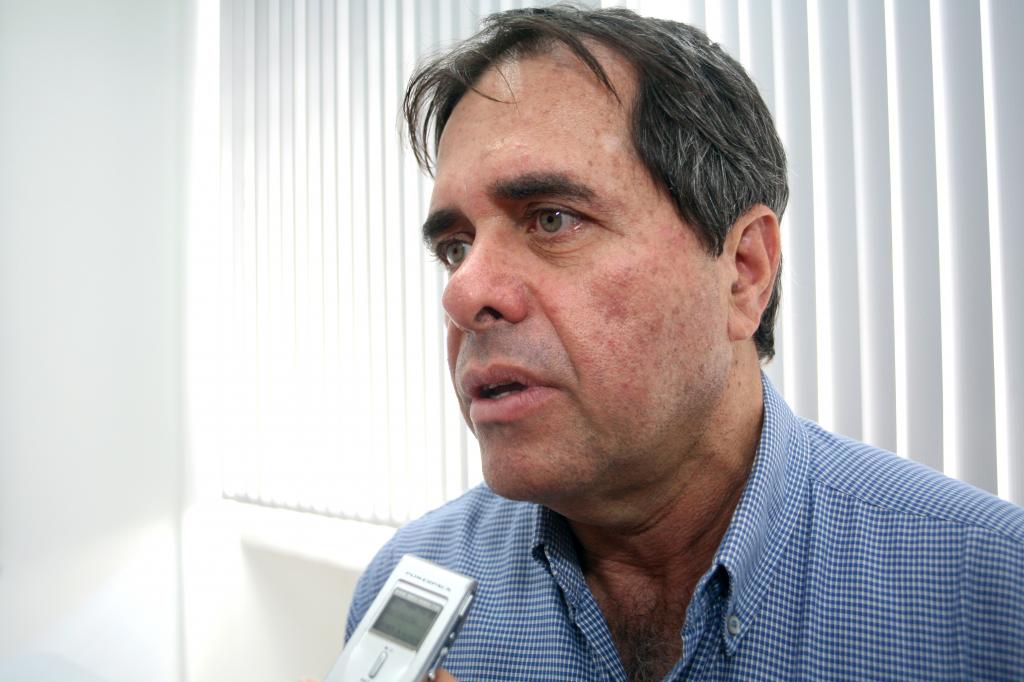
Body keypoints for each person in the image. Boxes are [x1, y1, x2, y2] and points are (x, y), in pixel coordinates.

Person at [345, 6, 1024, 681]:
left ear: (744, 272)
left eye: (552, 219)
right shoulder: (414, 579)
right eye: (455, 248)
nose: (463, 293)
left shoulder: (990, 591)